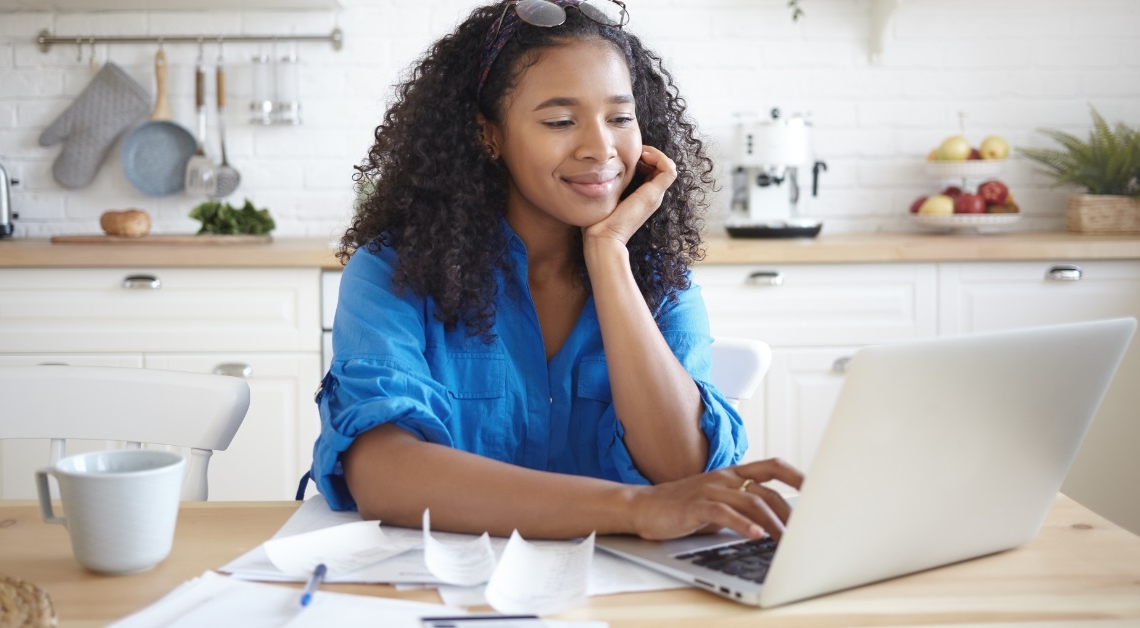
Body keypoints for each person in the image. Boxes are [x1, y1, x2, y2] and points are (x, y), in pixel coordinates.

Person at [311, 0, 804, 541]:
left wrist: (610, 253)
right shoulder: (394, 273)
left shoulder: (661, 282)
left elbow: (683, 473)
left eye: (620, 118)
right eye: (560, 121)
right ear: (488, 134)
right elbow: (384, 475)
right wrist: (633, 509)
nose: (600, 148)